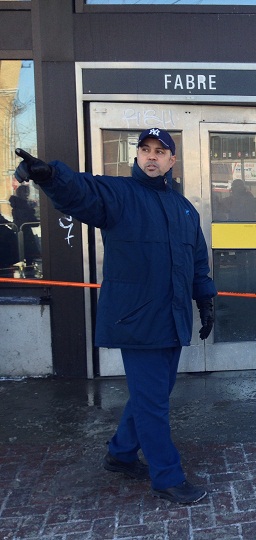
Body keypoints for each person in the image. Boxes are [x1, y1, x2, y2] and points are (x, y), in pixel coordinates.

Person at [14, 128, 217, 505]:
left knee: (150, 394)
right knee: (154, 401)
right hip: (137, 319)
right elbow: (82, 193)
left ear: (172, 160)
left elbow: (197, 262)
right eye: (145, 150)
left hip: (172, 317)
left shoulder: (184, 208)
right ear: (136, 156)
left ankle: (121, 455)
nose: (152, 156)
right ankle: (167, 476)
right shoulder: (120, 195)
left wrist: (205, 301)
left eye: (160, 151)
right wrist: (52, 177)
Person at [9, 183, 41, 264]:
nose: (27, 195)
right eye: (26, 193)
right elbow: (31, 220)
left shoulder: (17, 205)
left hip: (20, 229)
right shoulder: (23, 206)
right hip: (25, 231)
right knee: (29, 252)